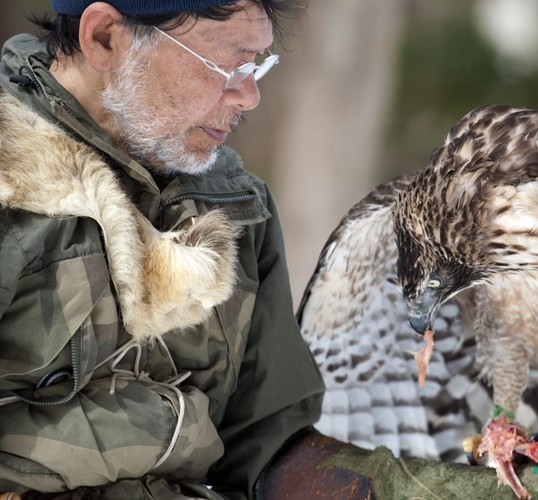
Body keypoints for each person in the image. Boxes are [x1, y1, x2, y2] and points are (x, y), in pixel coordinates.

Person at [0, 1, 327, 498]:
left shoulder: (237, 206)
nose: (249, 94)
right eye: (227, 64)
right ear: (106, 37)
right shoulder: (9, 182)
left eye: (257, 63)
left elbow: (268, 445)